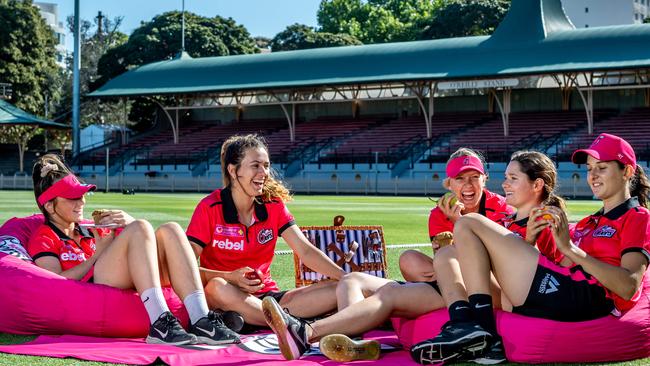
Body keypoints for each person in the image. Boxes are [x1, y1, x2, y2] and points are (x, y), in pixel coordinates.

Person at [261, 150, 565, 363]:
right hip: (462, 282)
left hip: (491, 289)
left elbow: (544, 272)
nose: (504, 184)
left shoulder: (529, 218)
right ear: (449, 184)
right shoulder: (507, 220)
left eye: (511, 178)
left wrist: (461, 228)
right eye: (461, 179)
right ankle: (311, 333)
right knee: (394, 280)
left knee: (439, 259)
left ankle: (468, 326)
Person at [410, 133, 650, 365]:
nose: (592, 176)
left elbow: (628, 287)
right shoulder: (590, 221)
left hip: (589, 300)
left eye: (602, 167)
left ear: (626, 171)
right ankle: (468, 326)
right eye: (589, 169)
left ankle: (483, 333)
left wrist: (570, 249)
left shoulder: (637, 216)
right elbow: (560, 268)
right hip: (559, 289)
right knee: (447, 254)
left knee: (468, 223)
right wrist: (531, 244)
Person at [27, 154, 240, 346]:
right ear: (49, 205)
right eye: (72, 196)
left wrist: (126, 225)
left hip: (113, 276)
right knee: (140, 226)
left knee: (171, 229)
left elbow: (139, 249)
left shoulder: (87, 228)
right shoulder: (44, 237)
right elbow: (53, 284)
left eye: (82, 194)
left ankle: (201, 318)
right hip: (90, 288)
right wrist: (99, 254)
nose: (81, 201)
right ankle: (159, 322)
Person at [186, 134, 345, 329]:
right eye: (255, 166)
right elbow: (185, 270)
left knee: (338, 288)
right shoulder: (209, 208)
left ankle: (271, 322)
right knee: (216, 288)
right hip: (227, 296)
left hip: (270, 300)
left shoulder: (273, 204)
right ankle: (293, 326)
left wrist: (344, 277)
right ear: (233, 170)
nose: (264, 173)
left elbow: (305, 251)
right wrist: (230, 277)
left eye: (266, 165)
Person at [399, 148, 514, 282]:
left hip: (497, 276)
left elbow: (501, 256)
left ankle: (448, 295)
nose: (468, 184)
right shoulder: (439, 214)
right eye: (459, 178)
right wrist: (441, 251)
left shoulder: (501, 206)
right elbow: (444, 262)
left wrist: (459, 222)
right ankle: (457, 293)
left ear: (484, 180)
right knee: (409, 259)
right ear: (449, 184)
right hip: (458, 275)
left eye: (475, 177)